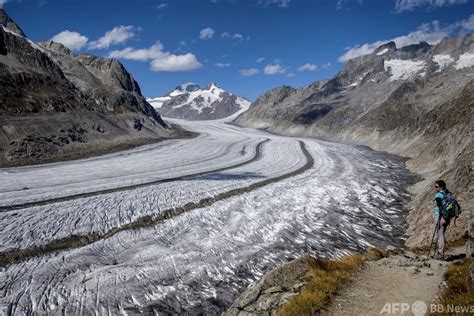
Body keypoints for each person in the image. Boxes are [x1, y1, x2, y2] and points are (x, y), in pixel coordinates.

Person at [434, 180, 450, 259]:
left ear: (441, 187)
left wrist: (440, 211)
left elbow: (439, 206)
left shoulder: (438, 195)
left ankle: (440, 253)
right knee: (442, 234)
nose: (435, 188)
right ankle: (442, 251)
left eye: (436, 187)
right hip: (447, 217)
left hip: (440, 216)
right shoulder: (447, 193)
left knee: (440, 235)